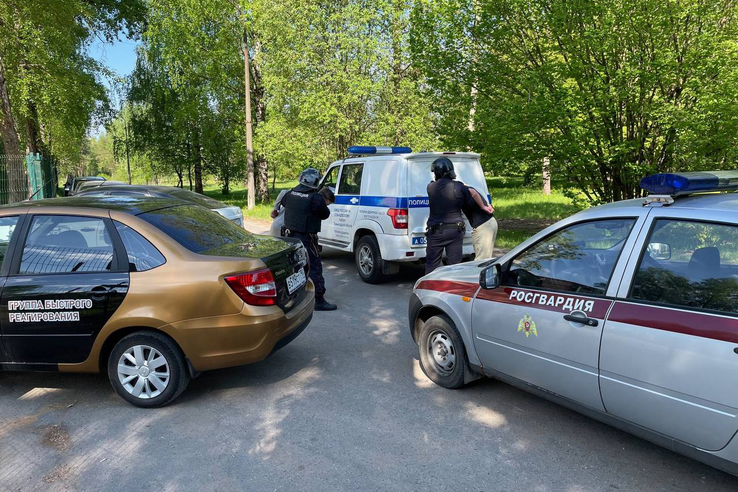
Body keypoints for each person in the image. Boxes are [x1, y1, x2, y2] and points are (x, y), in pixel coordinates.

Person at [282, 168, 337, 311]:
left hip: (289, 237)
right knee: (314, 267)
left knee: (295, 267)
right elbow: (325, 214)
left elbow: (284, 203)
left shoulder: (290, 193)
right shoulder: (315, 198)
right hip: (306, 238)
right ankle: (318, 300)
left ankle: (294, 296)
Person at [425, 157, 474, 274]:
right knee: (454, 266)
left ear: (437, 172)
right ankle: (452, 285)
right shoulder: (459, 187)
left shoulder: (430, 187)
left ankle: (430, 284)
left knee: (432, 264)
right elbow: (470, 204)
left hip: (436, 232)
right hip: (455, 231)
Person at [463, 186, 498, 260]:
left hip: (484, 226)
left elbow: (472, 192)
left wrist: (483, 207)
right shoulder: (467, 186)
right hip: (488, 223)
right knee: (485, 258)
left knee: (481, 260)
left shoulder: (462, 188)